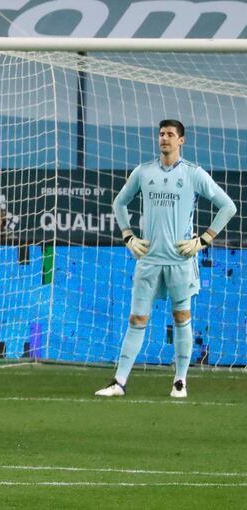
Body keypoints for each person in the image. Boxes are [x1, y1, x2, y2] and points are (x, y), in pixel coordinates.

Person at [95, 119, 236, 398]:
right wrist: (128, 236)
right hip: (148, 261)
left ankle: (180, 382)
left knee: (182, 317)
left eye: (170, 134)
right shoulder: (143, 172)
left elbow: (228, 206)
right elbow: (119, 203)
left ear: (181, 140)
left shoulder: (193, 174)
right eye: (161, 134)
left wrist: (204, 239)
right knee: (137, 319)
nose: (164, 139)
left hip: (180, 261)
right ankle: (119, 382)